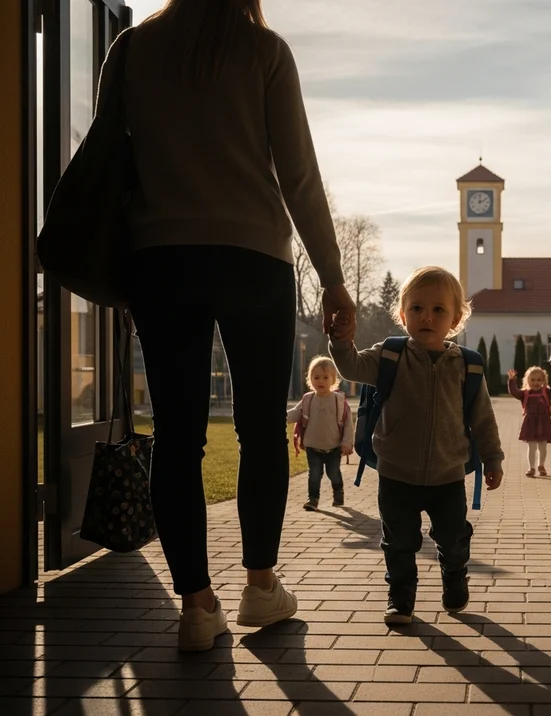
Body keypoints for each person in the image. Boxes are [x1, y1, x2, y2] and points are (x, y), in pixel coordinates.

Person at [104, 0, 355, 651]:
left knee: (178, 434)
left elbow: (109, 165)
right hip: (253, 260)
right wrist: (332, 276)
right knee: (257, 432)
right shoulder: (263, 52)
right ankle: (260, 586)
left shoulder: (132, 49)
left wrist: (120, 271)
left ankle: (196, 605)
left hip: (162, 260)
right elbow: (298, 174)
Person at [330, 267, 504, 625]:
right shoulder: (390, 356)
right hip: (397, 472)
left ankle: (454, 575)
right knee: (399, 541)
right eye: (417, 308)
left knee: (453, 537)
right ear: (402, 313)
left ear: (455, 319)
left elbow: (483, 419)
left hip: (448, 474)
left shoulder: (467, 366)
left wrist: (493, 459)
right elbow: (350, 366)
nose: (427, 316)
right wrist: (341, 341)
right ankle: (401, 597)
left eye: (439, 310)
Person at [287, 356, 354, 511]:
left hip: (334, 447)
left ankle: (338, 492)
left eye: (325, 377)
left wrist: (347, 443)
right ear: (310, 379)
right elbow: (295, 414)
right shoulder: (307, 400)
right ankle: (313, 500)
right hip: (312, 446)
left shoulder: (338, 401)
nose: (320, 381)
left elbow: (348, 424)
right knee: (314, 474)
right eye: (316, 377)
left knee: (333, 473)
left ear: (333, 380)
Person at [507, 366, 551, 478]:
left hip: (544, 422)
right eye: (533, 380)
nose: (536, 383)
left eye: (539, 380)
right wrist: (512, 380)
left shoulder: (546, 392)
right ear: (527, 380)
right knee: (532, 446)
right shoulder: (525, 394)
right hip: (530, 423)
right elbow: (514, 392)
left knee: (542, 446)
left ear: (544, 381)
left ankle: (541, 465)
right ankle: (531, 468)